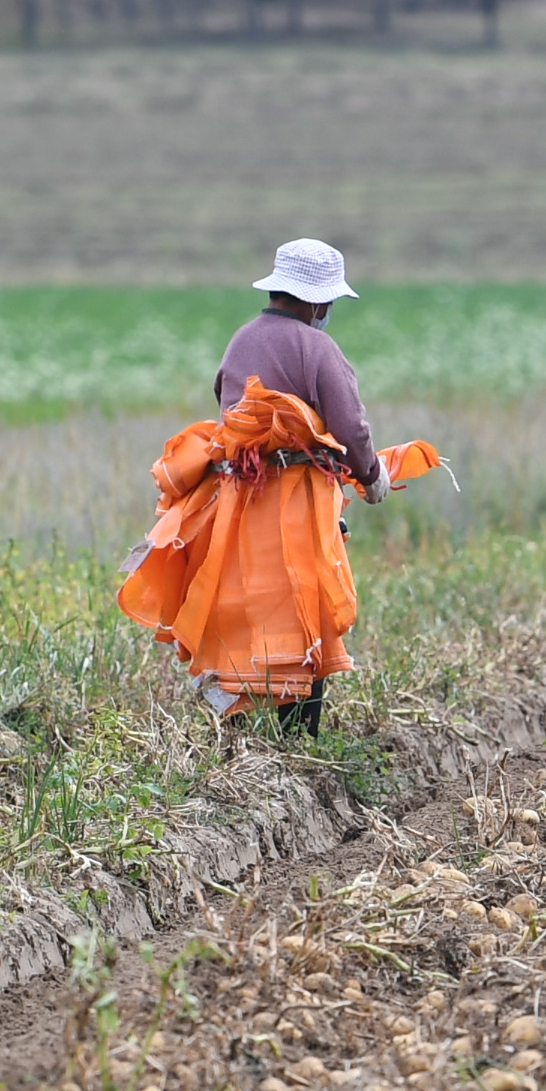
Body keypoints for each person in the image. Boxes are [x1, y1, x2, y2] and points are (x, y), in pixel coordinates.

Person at [213, 238, 389, 737]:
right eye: (328, 301)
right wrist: (373, 478)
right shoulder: (319, 348)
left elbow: (228, 415)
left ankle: (242, 734)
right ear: (315, 301)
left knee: (248, 609)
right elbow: (351, 427)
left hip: (244, 500)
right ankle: (297, 736)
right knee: (304, 610)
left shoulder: (240, 340)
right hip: (298, 503)